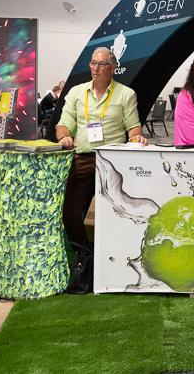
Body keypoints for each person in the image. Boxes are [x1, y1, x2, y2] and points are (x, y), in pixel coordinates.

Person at [56, 47, 147, 247]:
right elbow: (63, 125)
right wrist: (64, 137)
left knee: (118, 213)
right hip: (82, 158)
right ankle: (84, 254)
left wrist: (136, 137)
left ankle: (111, 253)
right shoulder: (76, 92)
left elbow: (133, 127)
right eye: (93, 63)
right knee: (70, 214)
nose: (96, 68)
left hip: (113, 161)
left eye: (102, 64)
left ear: (113, 68)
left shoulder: (126, 94)